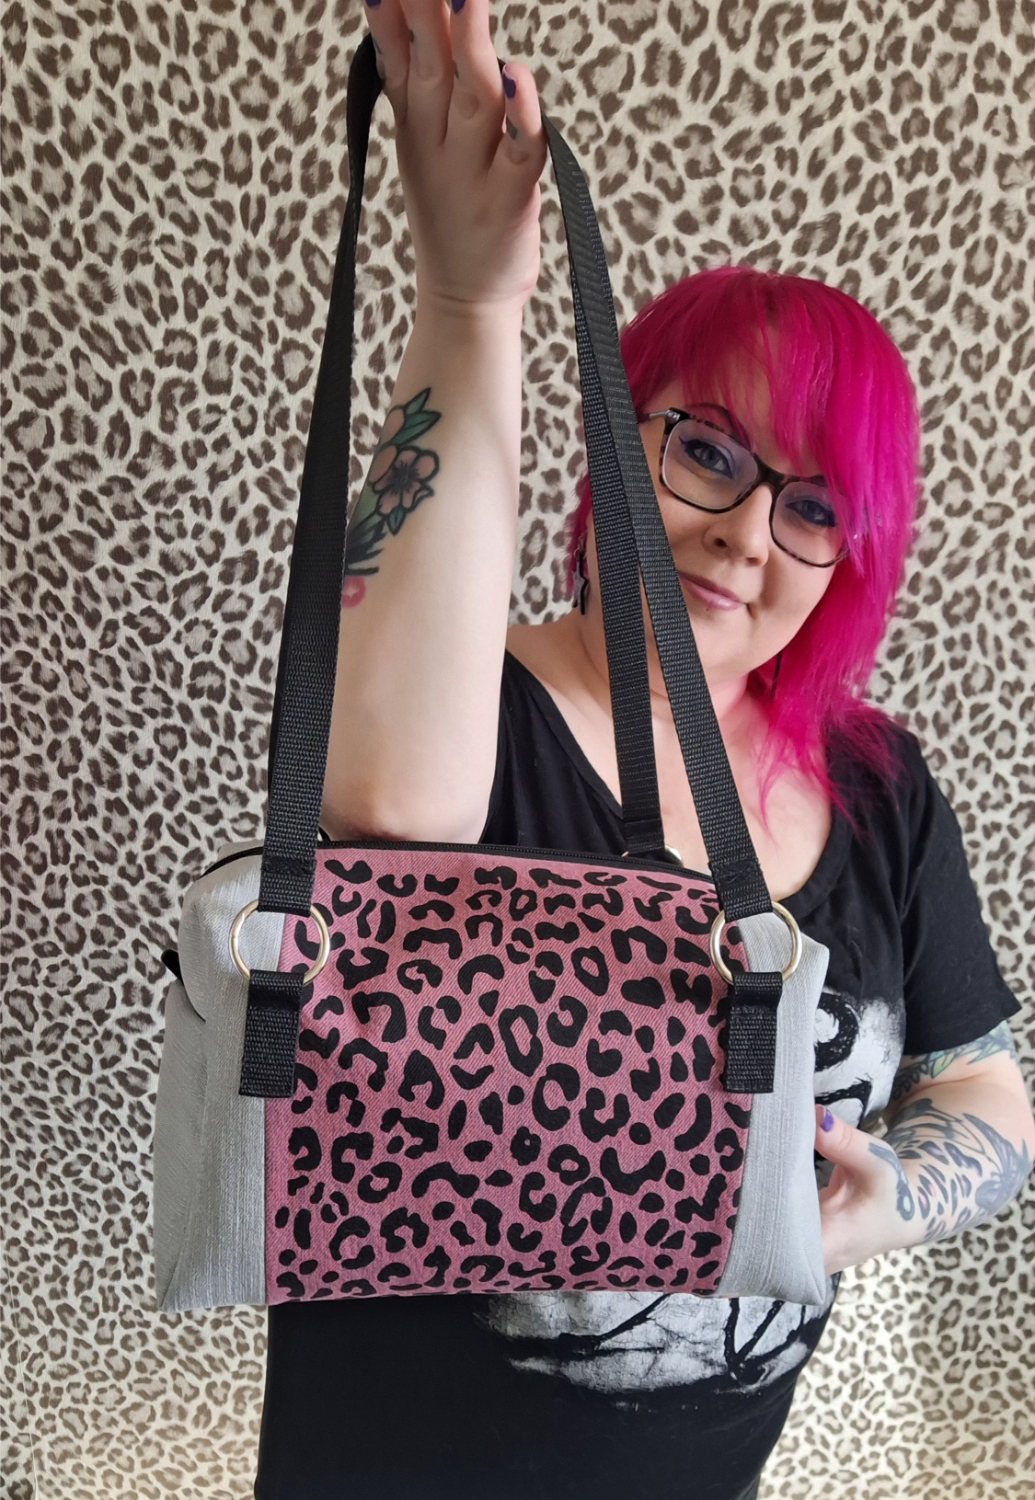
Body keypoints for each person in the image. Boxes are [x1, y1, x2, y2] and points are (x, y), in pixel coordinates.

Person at [252, 3, 1033, 1497]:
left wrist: (879, 1203)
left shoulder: (882, 787)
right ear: (621, 442)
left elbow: (988, 1090)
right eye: (710, 450)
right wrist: (472, 303)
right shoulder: (472, 703)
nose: (747, 532)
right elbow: (379, 799)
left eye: (814, 506)